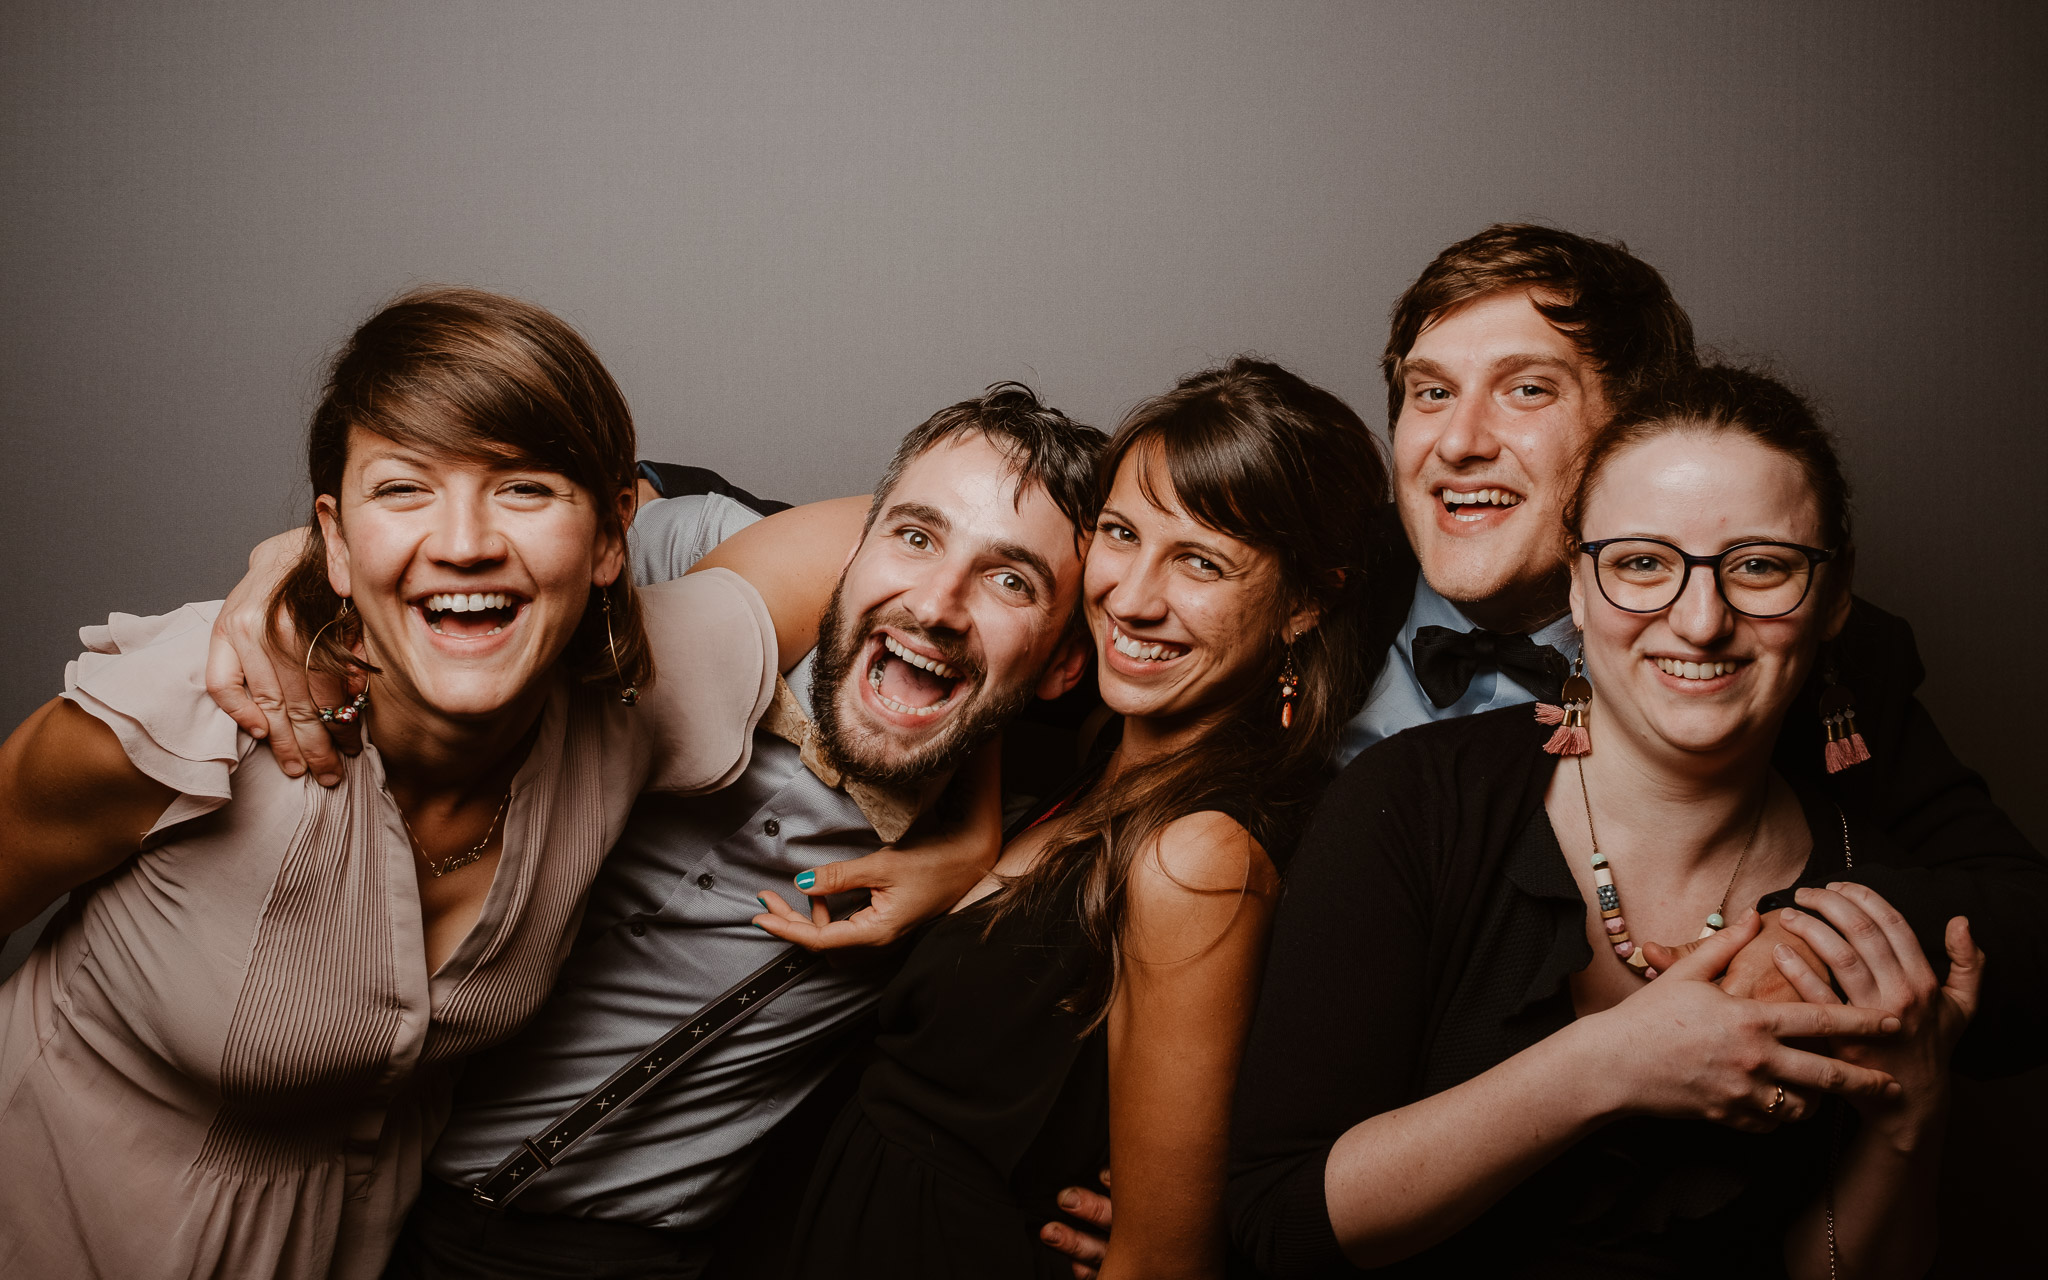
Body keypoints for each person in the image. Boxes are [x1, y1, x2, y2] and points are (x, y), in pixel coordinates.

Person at [206, 383, 1108, 1276]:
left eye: (1009, 579)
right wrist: (293, 567)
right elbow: (495, 527)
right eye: (913, 537)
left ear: (1067, 660)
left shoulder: (1053, 810)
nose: (939, 602)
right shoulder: (707, 549)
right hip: (351, 1185)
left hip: (625, 1254)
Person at [0, 287, 801, 1278]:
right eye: (403, 489)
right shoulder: (188, 710)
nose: (463, 540)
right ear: (335, 536)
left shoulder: (623, 702)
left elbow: (904, 558)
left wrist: (968, 835)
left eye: (524, 487)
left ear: (609, 536)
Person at [1229, 364, 1983, 1277]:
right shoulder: (1413, 804)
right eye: (1641, 564)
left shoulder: (1873, 893)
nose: (1700, 620)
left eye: (1758, 566)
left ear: (1834, 597)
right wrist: (1609, 1065)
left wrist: (1908, 1124)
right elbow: (1275, 1226)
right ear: (1576, 586)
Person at [1341, 222, 2044, 1063]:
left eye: (1528, 390)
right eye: (1430, 393)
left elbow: (2025, 923)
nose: (1458, 443)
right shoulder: (1306, 589)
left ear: (1636, 431)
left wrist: (1807, 940)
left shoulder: (1788, 646)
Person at [764, 357, 1389, 1279]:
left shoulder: (1201, 854)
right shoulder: (1100, 748)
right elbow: (955, 631)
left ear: (1305, 600)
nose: (1132, 598)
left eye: (1201, 562)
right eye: (1123, 535)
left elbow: (1162, 1264)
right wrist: (968, 857)